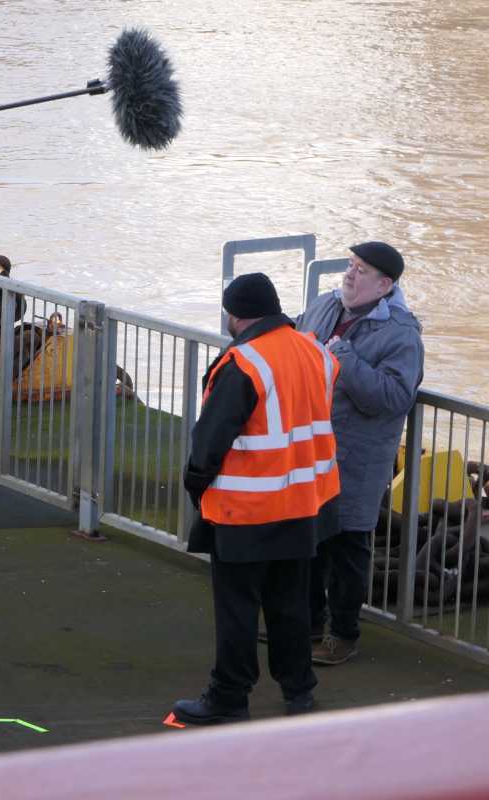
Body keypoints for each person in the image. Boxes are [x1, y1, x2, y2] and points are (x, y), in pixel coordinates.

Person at [170, 272, 340, 724]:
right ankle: (299, 690)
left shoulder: (243, 363)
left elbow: (209, 442)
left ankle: (229, 697)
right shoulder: (316, 352)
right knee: (291, 604)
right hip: (303, 504)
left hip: (246, 511)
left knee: (238, 610)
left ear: (234, 315)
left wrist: (195, 484)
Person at [295, 242, 423, 666]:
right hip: (309, 448)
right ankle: (307, 625)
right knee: (308, 540)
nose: (349, 275)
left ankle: (343, 635)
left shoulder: (401, 332)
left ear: (385, 285)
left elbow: (394, 397)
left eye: (361, 270)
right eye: (350, 266)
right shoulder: (324, 306)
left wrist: (344, 358)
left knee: (349, 546)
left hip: (356, 458)